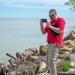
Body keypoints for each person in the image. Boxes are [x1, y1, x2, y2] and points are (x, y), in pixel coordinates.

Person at [40, 9, 65, 75]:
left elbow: (60, 30)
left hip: (55, 44)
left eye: (52, 15)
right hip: (49, 44)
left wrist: (50, 26)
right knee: (48, 62)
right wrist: (41, 24)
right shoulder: (50, 23)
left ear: (56, 14)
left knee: (51, 61)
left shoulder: (60, 20)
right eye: (49, 16)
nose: (51, 17)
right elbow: (43, 32)